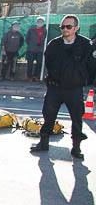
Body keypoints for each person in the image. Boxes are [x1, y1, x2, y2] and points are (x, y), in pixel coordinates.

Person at [31, 15, 96, 159]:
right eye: (63, 27)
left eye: (68, 26)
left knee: (77, 118)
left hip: (74, 88)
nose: (65, 29)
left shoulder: (85, 44)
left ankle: (76, 148)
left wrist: (81, 79)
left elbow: (91, 66)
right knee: (48, 115)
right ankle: (43, 143)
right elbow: (48, 62)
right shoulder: (54, 44)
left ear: (76, 28)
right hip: (55, 87)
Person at [25, 17, 47, 82]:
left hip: (40, 50)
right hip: (31, 49)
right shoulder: (31, 29)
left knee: (39, 63)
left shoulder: (45, 30)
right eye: (39, 21)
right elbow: (27, 39)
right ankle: (29, 77)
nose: (40, 23)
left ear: (43, 23)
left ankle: (36, 76)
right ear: (36, 22)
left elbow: (44, 38)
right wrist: (31, 44)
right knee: (30, 64)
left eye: (42, 22)